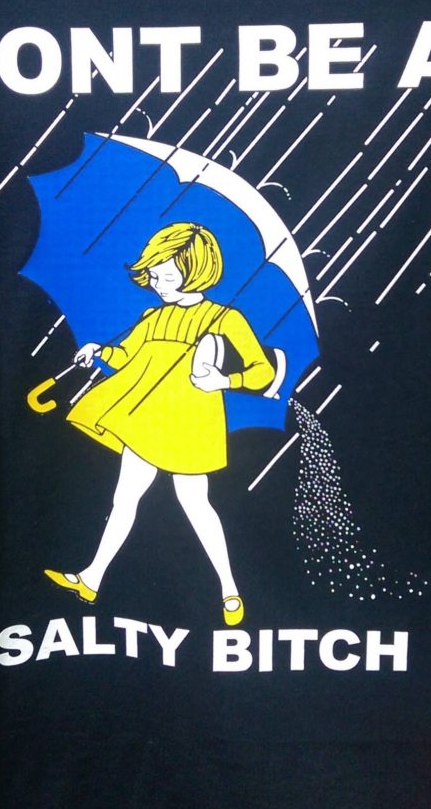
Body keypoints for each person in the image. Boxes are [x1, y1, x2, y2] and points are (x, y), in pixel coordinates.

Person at [44, 221, 276, 626]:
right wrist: (99, 351)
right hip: (146, 421)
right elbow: (127, 357)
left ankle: (230, 589)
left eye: (168, 277)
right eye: (153, 276)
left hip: (191, 424)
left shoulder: (224, 319)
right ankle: (91, 579)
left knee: (195, 505)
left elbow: (262, 371)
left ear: (197, 270)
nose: (158, 285)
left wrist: (225, 380)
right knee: (124, 499)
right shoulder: (152, 316)